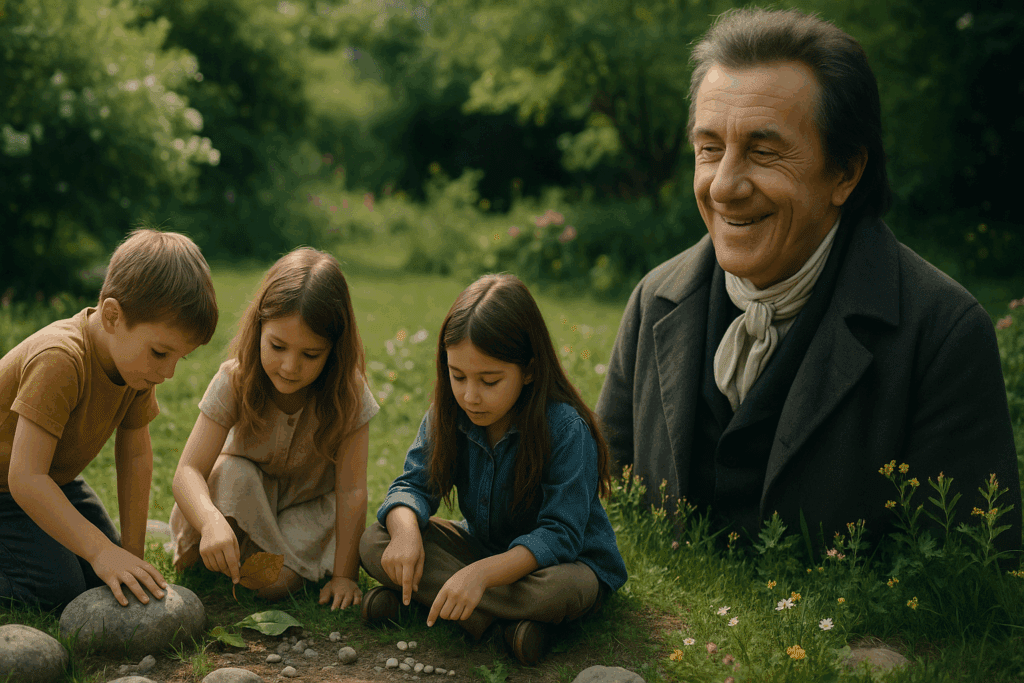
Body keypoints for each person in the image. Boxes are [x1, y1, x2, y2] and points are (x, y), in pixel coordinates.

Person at [596, 8, 1021, 550]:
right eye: (709, 149)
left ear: (845, 172)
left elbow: (970, 581)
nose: (724, 186)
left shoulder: (942, 334)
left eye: (764, 153)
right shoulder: (655, 298)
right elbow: (599, 503)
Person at [359, 273, 627, 666]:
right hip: (483, 549)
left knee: (562, 590)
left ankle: (436, 603)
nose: (470, 395)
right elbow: (412, 487)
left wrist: (481, 576)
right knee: (375, 541)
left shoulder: (566, 430)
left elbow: (560, 535)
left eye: (489, 380)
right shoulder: (447, 416)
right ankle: (505, 621)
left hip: (560, 566)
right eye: (458, 376)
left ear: (530, 370)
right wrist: (404, 535)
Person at [0, 229, 219, 610]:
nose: (167, 373)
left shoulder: (134, 366)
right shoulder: (60, 359)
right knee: (59, 590)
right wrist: (101, 550)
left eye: (177, 359)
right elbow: (25, 477)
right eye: (160, 353)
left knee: (101, 573)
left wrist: (130, 553)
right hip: (10, 488)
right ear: (114, 315)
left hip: (52, 481)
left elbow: (134, 455)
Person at [170, 247, 377, 609]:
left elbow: (352, 492)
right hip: (238, 497)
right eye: (277, 346)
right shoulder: (235, 379)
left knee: (274, 584)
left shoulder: (349, 394)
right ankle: (224, 547)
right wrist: (210, 521)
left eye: (310, 354)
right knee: (232, 472)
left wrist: (344, 576)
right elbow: (188, 471)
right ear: (259, 328)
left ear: (334, 349)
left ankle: (251, 561)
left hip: (305, 508)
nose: (290, 366)